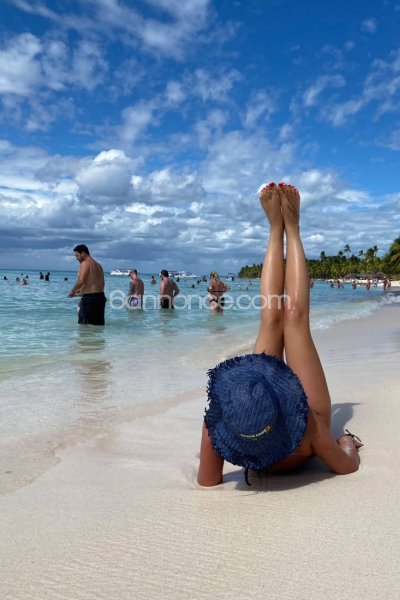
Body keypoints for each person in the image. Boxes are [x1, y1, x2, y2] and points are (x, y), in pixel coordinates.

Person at [197, 182, 363, 487]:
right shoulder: (307, 425)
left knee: (277, 318)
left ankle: (276, 228)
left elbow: (206, 483)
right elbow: (347, 464)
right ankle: (289, 228)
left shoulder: (220, 424)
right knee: (287, 318)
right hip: (305, 425)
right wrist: (347, 441)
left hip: (269, 416)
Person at [68, 244, 106, 325]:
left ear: (83, 253)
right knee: (97, 327)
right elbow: (101, 284)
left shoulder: (85, 263)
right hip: (100, 298)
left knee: (85, 327)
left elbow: (81, 280)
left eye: (77, 255)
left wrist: (72, 291)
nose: (76, 258)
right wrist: (80, 293)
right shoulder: (98, 265)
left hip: (89, 300)